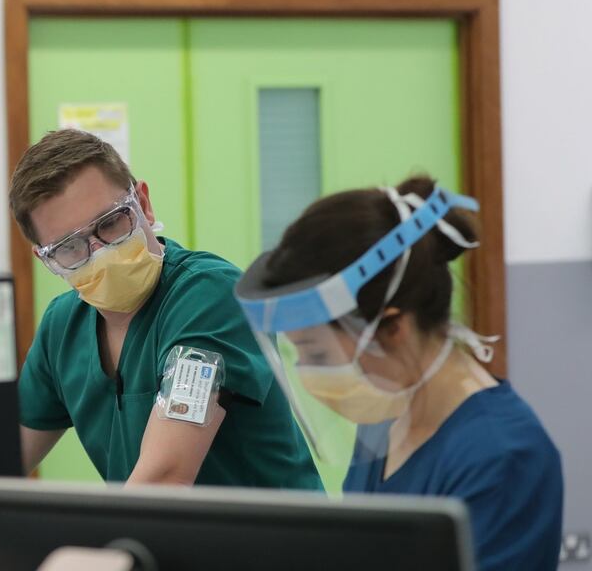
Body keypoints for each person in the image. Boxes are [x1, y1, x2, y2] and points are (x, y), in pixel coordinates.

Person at [235, 176, 563, 570]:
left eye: (319, 354)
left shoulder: (503, 456)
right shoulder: (385, 415)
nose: (308, 374)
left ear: (392, 328)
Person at [10, 129, 321, 488]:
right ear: (47, 260)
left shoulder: (210, 296)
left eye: (111, 223)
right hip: (159, 538)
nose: (101, 252)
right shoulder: (62, 327)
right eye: (69, 247)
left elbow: (165, 475)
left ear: (143, 203)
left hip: (273, 542)